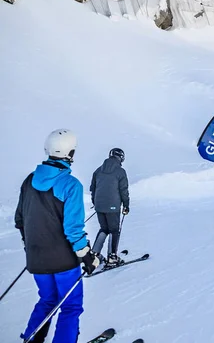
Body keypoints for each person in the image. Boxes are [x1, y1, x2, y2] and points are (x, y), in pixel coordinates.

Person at [14, 129, 100, 343]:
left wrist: (32, 247)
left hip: (35, 259)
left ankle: (31, 340)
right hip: (63, 261)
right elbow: (73, 229)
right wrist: (87, 257)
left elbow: (20, 220)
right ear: (70, 153)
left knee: (47, 299)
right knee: (70, 306)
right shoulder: (71, 184)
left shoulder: (29, 181)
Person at [90, 148, 130, 265]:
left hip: (99, 206)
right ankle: (112, 257)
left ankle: (94, 255)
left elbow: (93, 188)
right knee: (113, 230)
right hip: (113, 206)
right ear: (121, 157)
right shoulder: (120, 171)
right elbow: (124, 191)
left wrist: (96, 203)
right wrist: (126, 205)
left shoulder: (98, 170)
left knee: (104, 228)